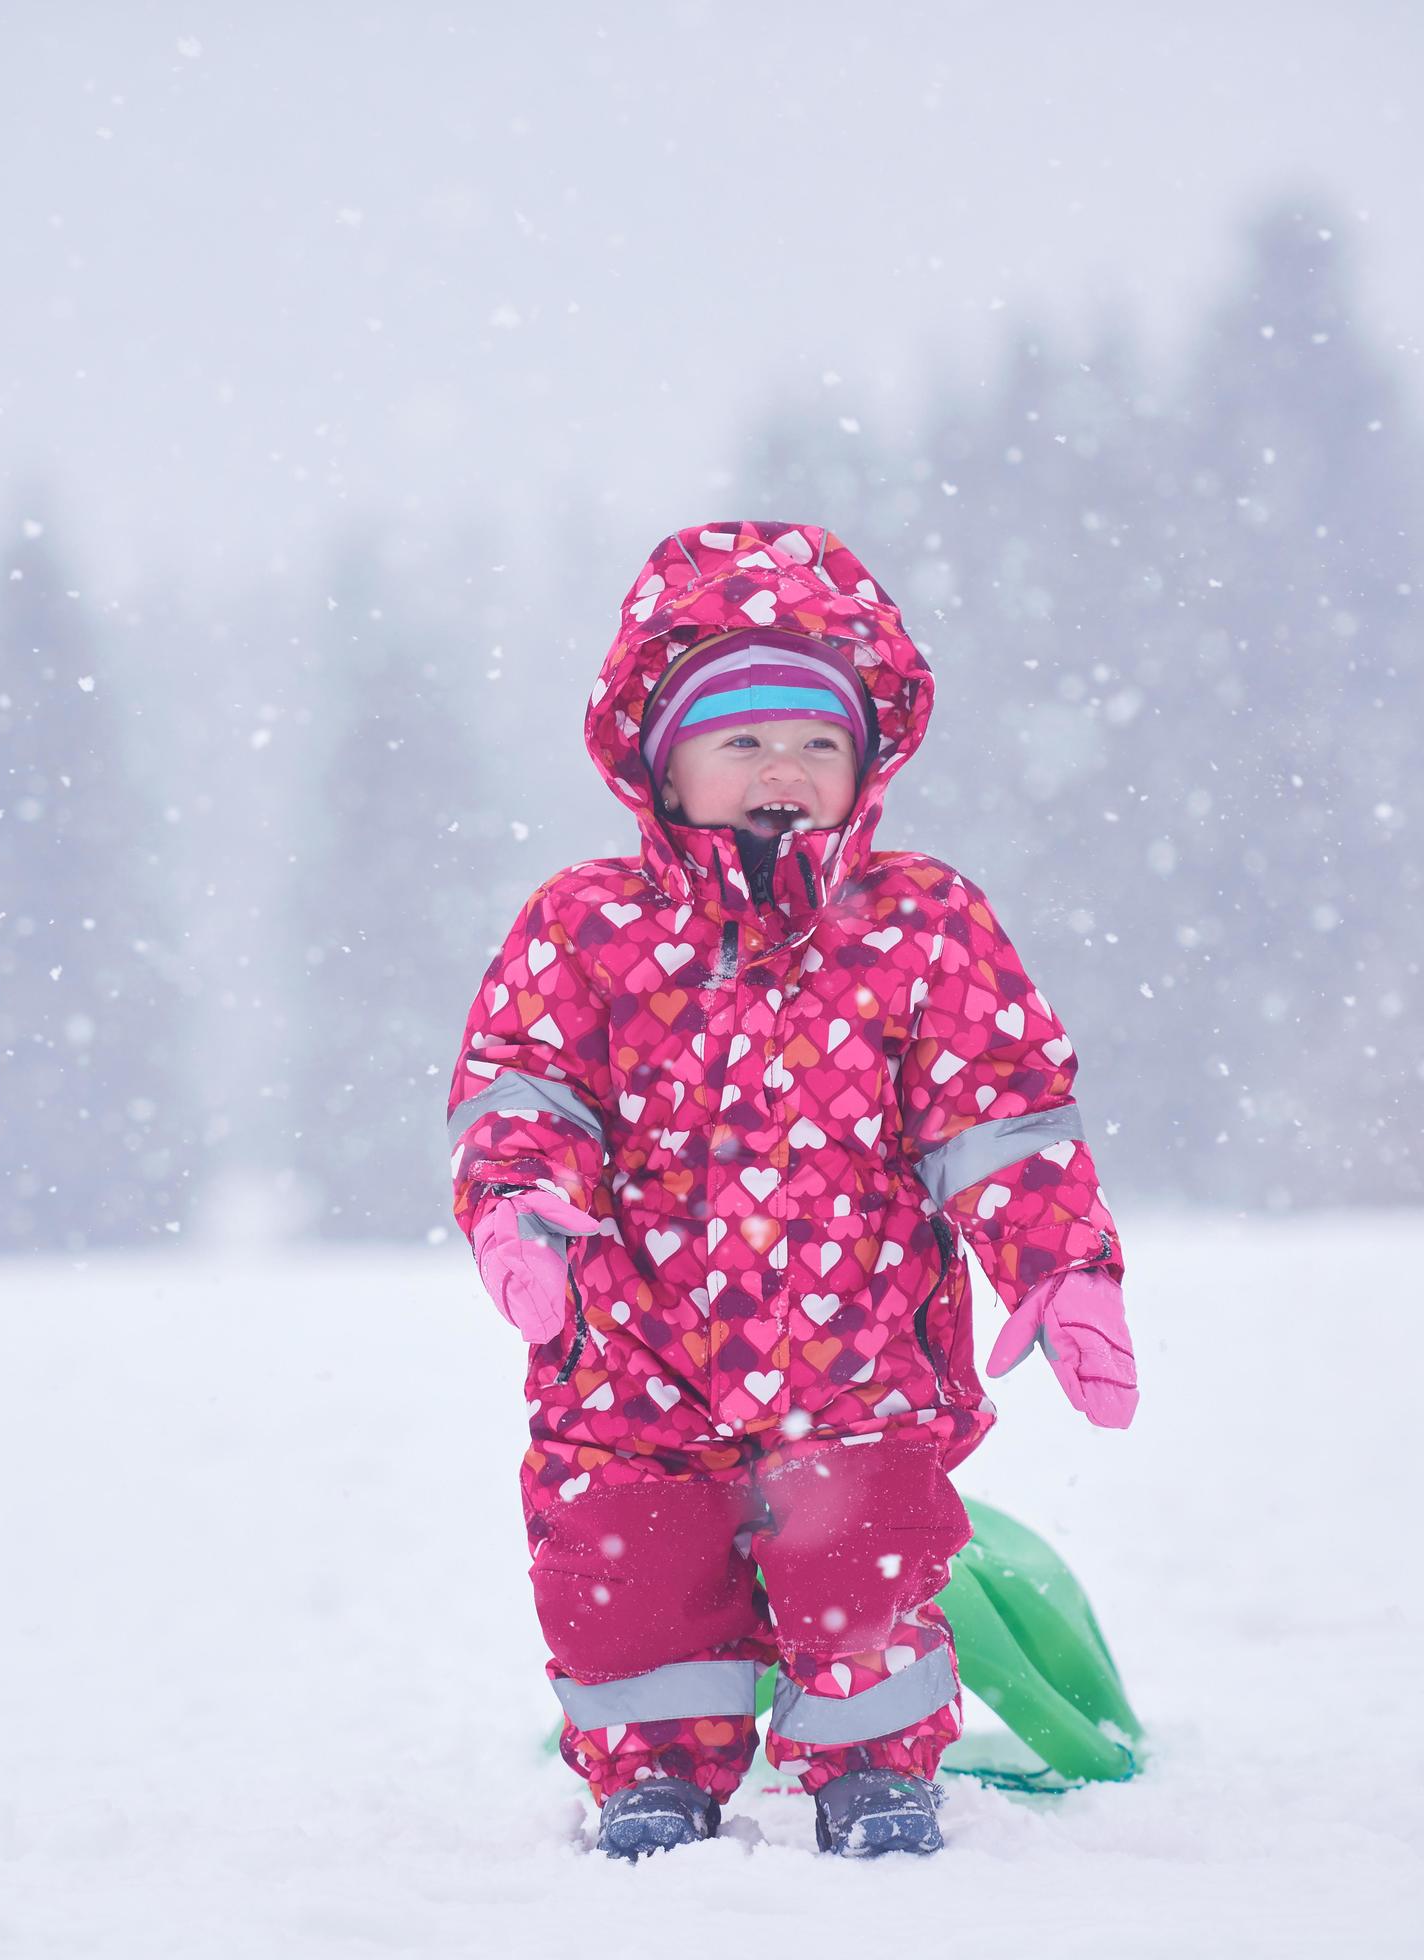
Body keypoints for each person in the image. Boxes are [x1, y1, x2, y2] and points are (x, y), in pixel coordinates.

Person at [445, 520, 1137, 1860]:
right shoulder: (583, 924)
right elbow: (522, 1089)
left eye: (818, 743)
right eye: (744, 741)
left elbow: (997, 1112)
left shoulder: (920, 921)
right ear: (663, 762)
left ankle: (871, 1767)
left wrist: (1060, 1266)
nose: (784, 769)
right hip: (627, 1366)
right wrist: (517, 1211)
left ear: (863, 769)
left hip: (860, 1364)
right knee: (624, 1577)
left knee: (865, 1568)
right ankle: (650, 1774)